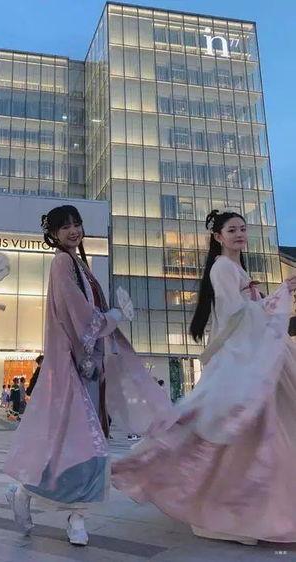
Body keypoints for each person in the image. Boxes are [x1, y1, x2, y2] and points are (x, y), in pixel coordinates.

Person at [112, 210, 296, 546]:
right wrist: (278, 295)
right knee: (241, 430)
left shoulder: (235, 268)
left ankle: (242, 508)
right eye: (232, 230)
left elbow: (245, 312)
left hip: (247, 353)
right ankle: (230, 509)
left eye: (243, 229)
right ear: (218, 237)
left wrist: (274, 297)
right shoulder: (223, 267)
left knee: (248, 432)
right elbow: (234, 314)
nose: (239, 234)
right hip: (239, 357)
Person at [4, 205, 174, 546]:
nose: (73, 230)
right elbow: (80, 315)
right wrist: (111, 317)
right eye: (65, 226)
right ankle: (57, 507)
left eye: (76, 224)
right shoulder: (63, 263)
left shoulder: (78, 264)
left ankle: (62, 509)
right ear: (53, 234)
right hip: (73, 365)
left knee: (79, 444)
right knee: (84, 444)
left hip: (87, 367)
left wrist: (107, 322)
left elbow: (85, 314)